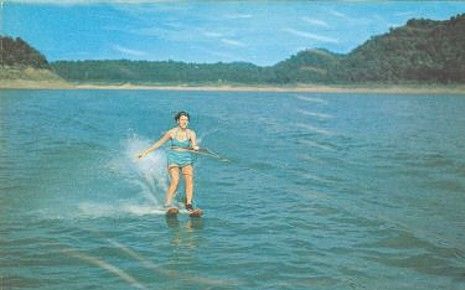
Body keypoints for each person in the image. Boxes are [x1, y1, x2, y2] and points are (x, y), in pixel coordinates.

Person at [137, 111, 200, 212]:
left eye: (186, 120)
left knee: (189, 179)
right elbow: (159, 143)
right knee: (175, 180)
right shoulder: (171, 132)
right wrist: (145, 153)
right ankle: (167, 204)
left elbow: (193, 145)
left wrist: (195, 147)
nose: (185, 122)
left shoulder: (191, 133)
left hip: (186, 158)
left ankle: (188, 204)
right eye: (183, 120)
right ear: (177, 121)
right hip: (173, 158)